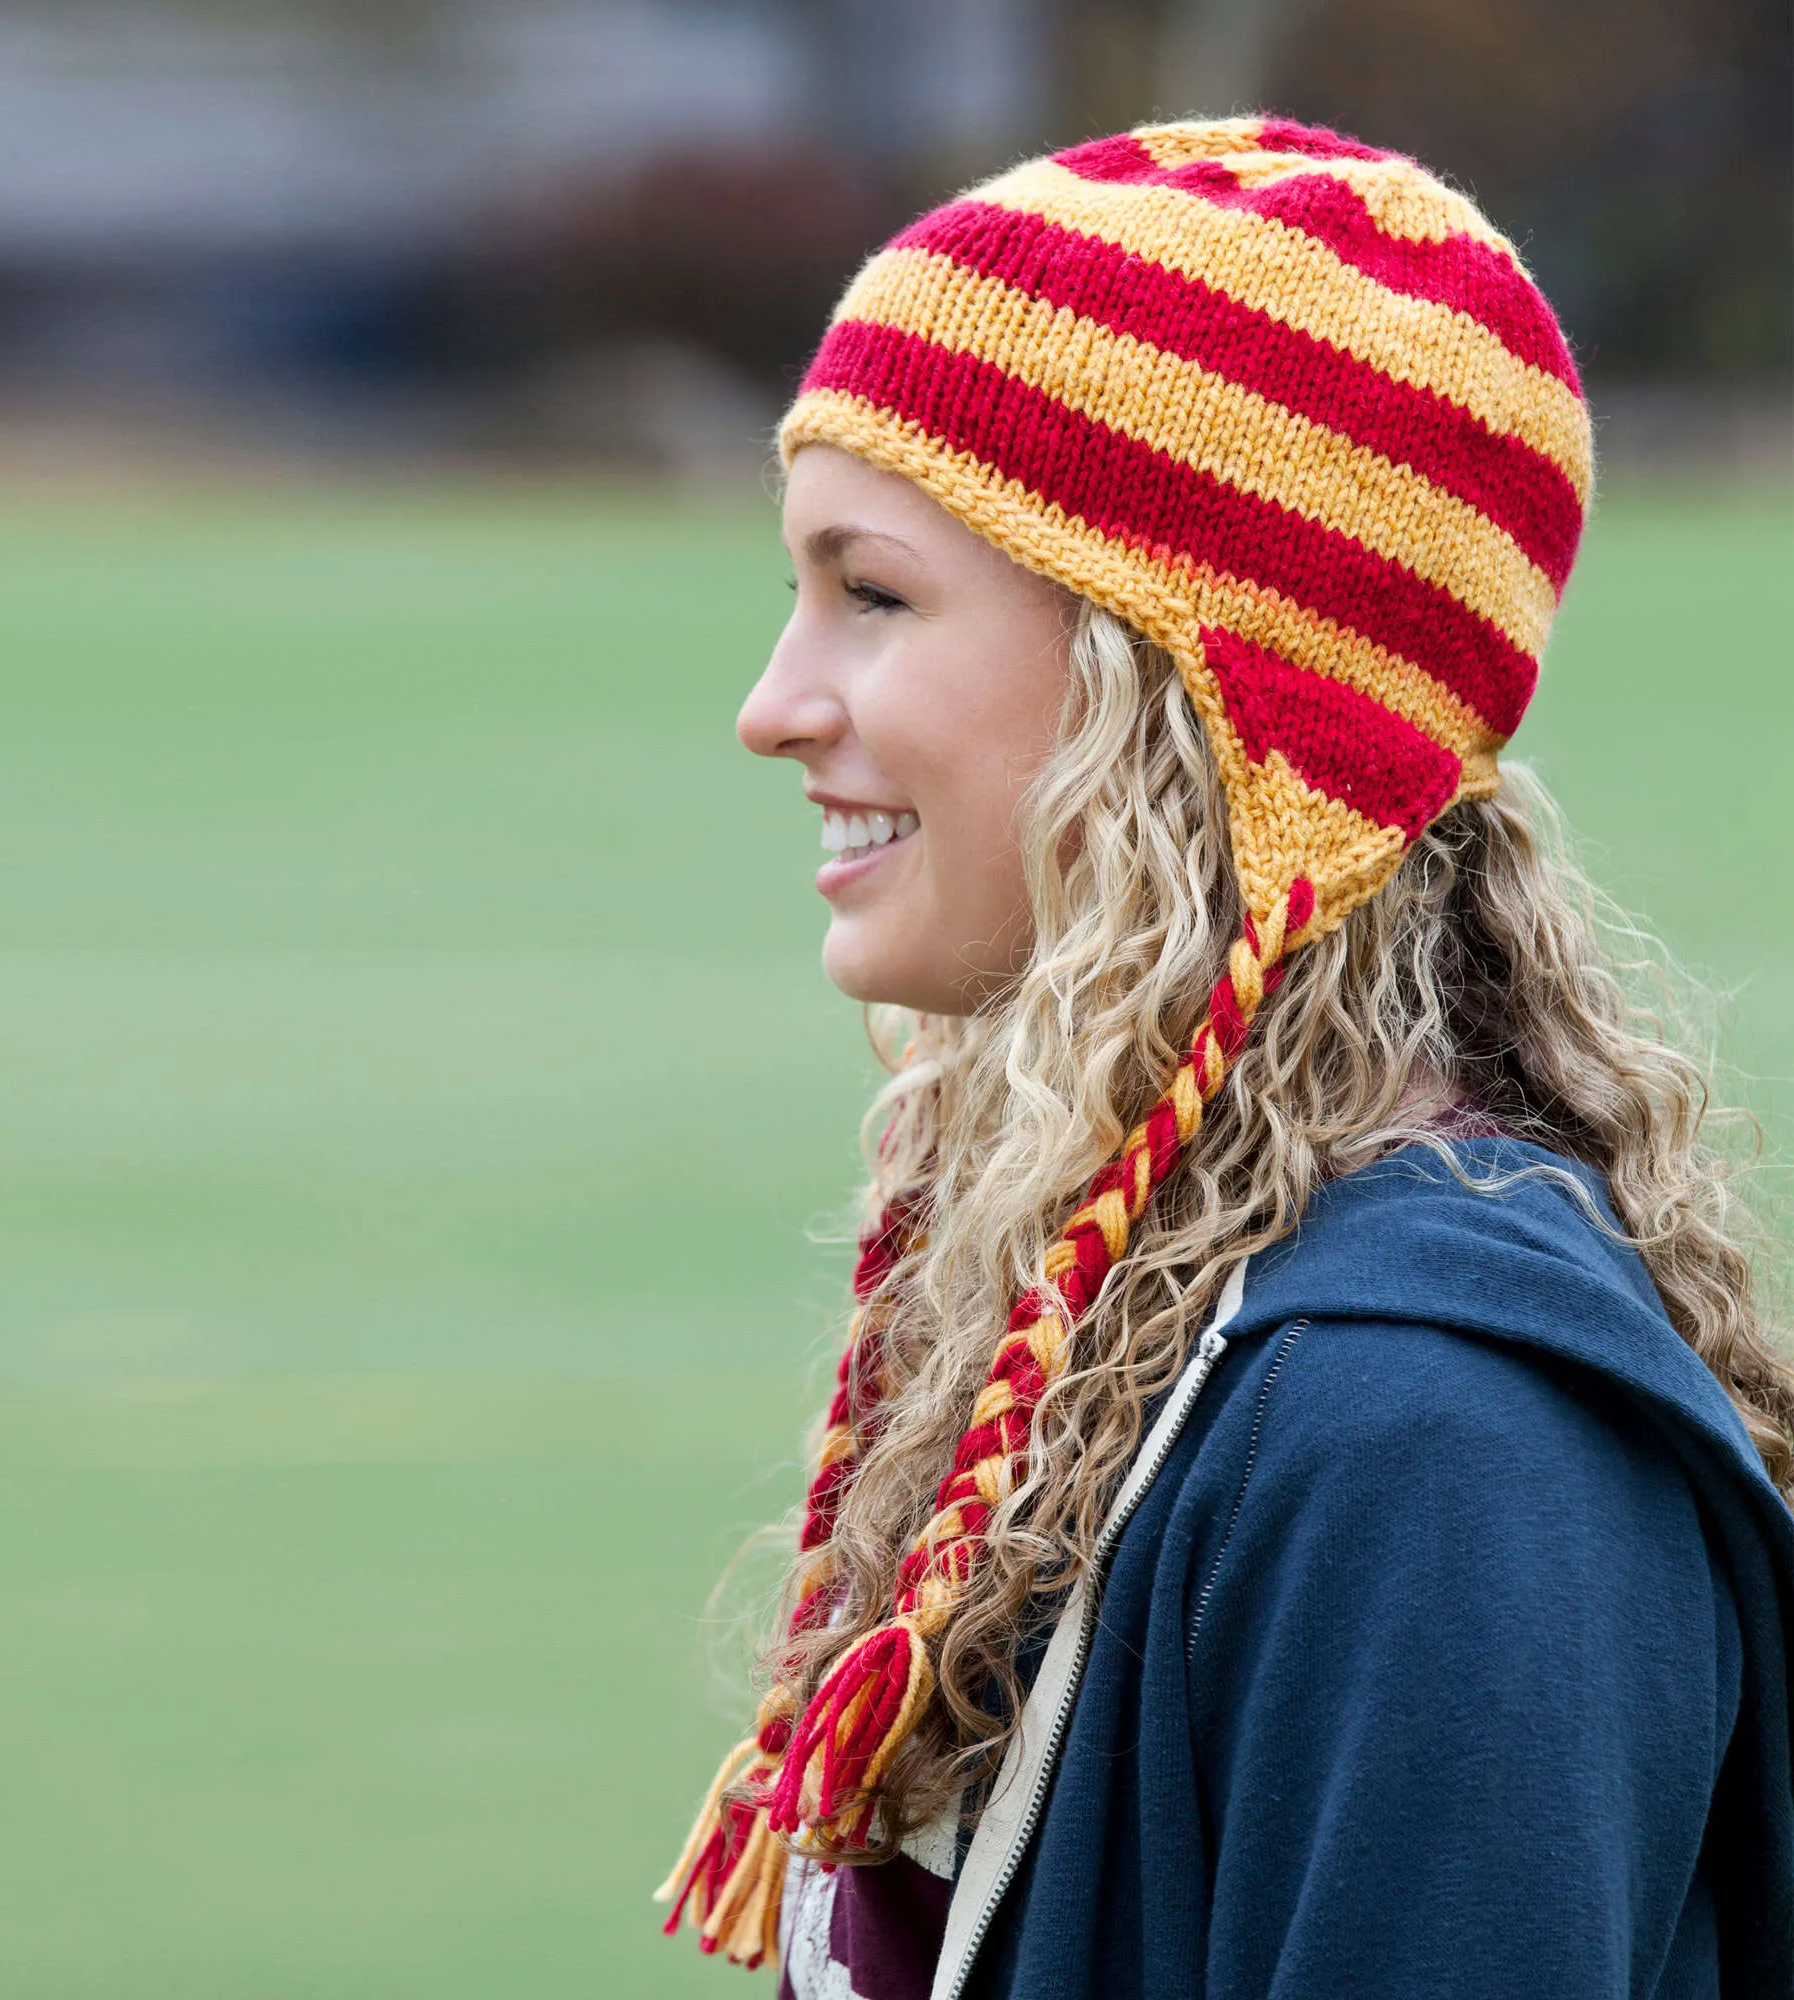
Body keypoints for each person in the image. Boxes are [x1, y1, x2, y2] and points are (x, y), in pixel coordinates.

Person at [657, 117, 1794, 2000]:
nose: (776, 705)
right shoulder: (1151, 1303)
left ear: (1180, 690)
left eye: (874, 593)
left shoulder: (1426, 1439)